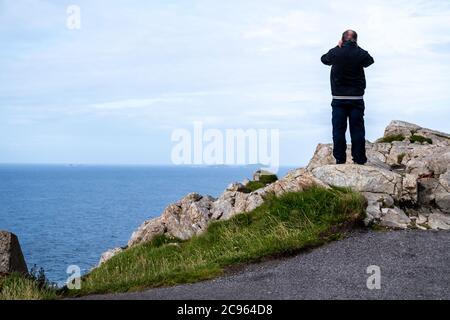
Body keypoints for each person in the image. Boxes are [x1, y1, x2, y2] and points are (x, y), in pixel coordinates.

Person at [321, 30, 374, 165]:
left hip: (338, 99)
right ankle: (359, 159)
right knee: (357, 130)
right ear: (356, 40)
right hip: (357, 99)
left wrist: (338, 47)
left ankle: (340, 159)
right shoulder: (360, 53)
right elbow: (370, 61)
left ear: (342, 39)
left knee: (338, 130)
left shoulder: (335, 52)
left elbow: (324, 59)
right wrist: (356, 47)